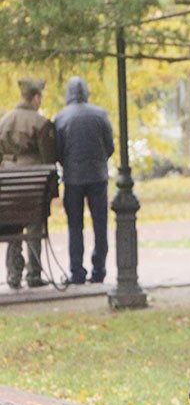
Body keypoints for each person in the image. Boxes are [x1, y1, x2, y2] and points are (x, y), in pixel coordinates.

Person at [54, 76, 115, 285]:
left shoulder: (61, 118)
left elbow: (57, 151)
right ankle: (99, 270)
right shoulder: (100, 114)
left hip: (73, 179)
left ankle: (77, 271)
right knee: (100, 225)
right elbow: (110, 147)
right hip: (98, 177)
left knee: (75, 226)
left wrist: (69, 164)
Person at [0, 77, 57, 289]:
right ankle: (34, 273)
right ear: (36, 97)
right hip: (34, 189)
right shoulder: (41, 123)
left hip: (8, 188)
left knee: (13, 225)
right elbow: (49, 160)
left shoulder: (4, 122)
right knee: (35, 223)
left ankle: (14, 273)